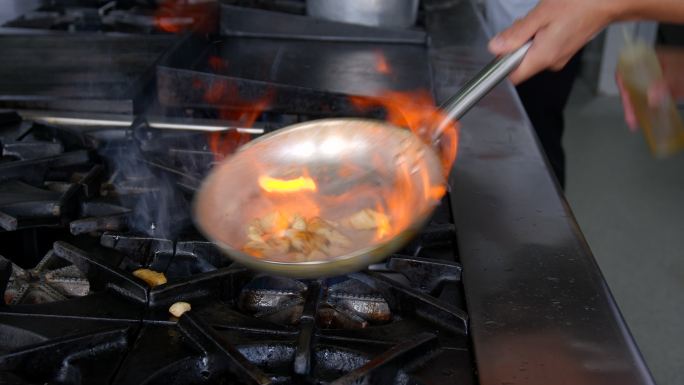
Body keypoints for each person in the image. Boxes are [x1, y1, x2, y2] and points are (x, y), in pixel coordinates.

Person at [485, 0, 582, 188]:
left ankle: (549, 209)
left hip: (553, 29)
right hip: (507, 25)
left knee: (539, 132)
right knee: (504, 131)